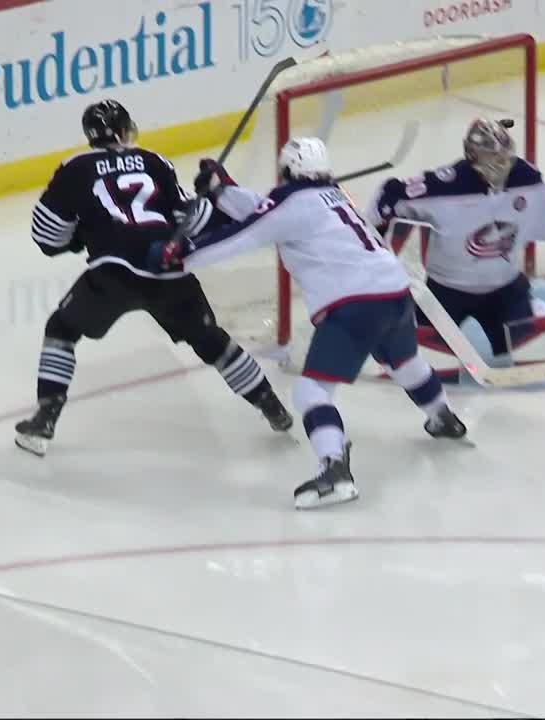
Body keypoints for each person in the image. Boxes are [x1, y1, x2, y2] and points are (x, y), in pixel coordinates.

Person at [168, 138, 468, 509]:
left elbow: (246, 233)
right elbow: (266, 211)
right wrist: (222, 190)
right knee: (404, 362)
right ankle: (442, 417)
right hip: (395, 293)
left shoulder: (291, 204)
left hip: (354, 303)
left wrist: (182, 255)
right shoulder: (334, 196)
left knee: (311, 392)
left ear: (288, 169)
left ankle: (335, 470)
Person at [13, 99, 292, 456]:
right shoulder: (154, 161)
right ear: (125, 128)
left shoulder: (74, 168)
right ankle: (271, 406)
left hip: (114, 271)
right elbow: (194, 219)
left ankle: (45, 418)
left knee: (62, 329)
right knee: (210, 339)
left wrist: (80, 238)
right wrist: (212, 194)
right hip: (167, 268)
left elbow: (47, 237)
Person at [360, 117, 545, 358]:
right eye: (493, 159)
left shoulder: (525, 179)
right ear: (472, 156)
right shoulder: (442, 188)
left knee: (534, 353)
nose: (502, 165)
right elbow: (390, 194)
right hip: (443, 292)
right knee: (413, 358)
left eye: (506, 157)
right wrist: (380, 241)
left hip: (506, 291)